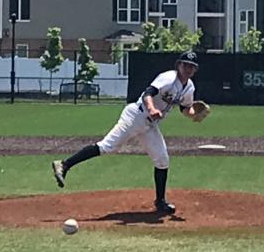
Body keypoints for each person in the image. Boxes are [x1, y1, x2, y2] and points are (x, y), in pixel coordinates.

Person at [52, 51, 204, 215]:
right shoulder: (168, 78)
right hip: (135, 115)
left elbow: (185, 108)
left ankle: (160, 202)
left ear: (195, 70)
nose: (188, 68)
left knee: (162, 160)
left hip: (150, 125)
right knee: (107, 147)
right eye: (185, 65)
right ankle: (64, 165)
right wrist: (152, 108)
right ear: (178, 65)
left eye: (191, 67)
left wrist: (193, 114)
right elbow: (148, 93)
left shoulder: (189, 87)